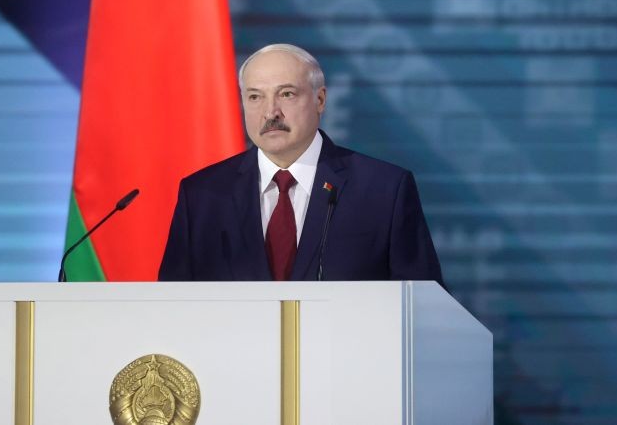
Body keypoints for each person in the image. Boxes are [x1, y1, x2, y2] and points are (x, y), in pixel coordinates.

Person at [158, 43, 443, 283]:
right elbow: (172, 308)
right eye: (255, 96)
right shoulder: (203, 195)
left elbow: (424, 307)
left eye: (287, 94)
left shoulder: (384, 190)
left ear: (320, 100)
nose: (271, 111)